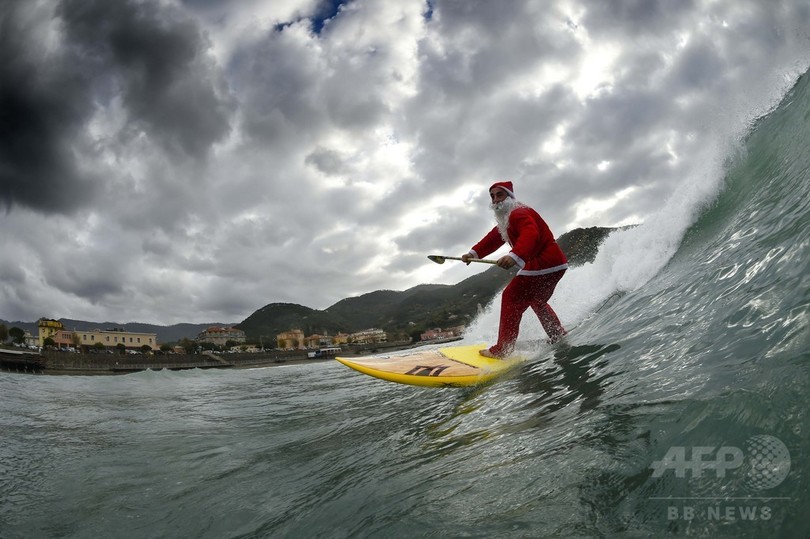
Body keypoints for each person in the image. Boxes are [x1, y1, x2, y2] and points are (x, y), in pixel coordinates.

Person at [461, 181, 568, 358]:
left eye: (499, 195)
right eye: (492, 196)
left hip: (544, 262)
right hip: (555, 264)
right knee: (537, 302)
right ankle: (557, 334)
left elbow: (530, 234)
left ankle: (503, 349)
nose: (495, 200)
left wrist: (514, 255)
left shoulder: (519, 213)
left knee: (511, 296)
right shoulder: (507, 219)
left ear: (510, 197)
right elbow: (493, 238)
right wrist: (473, 253)